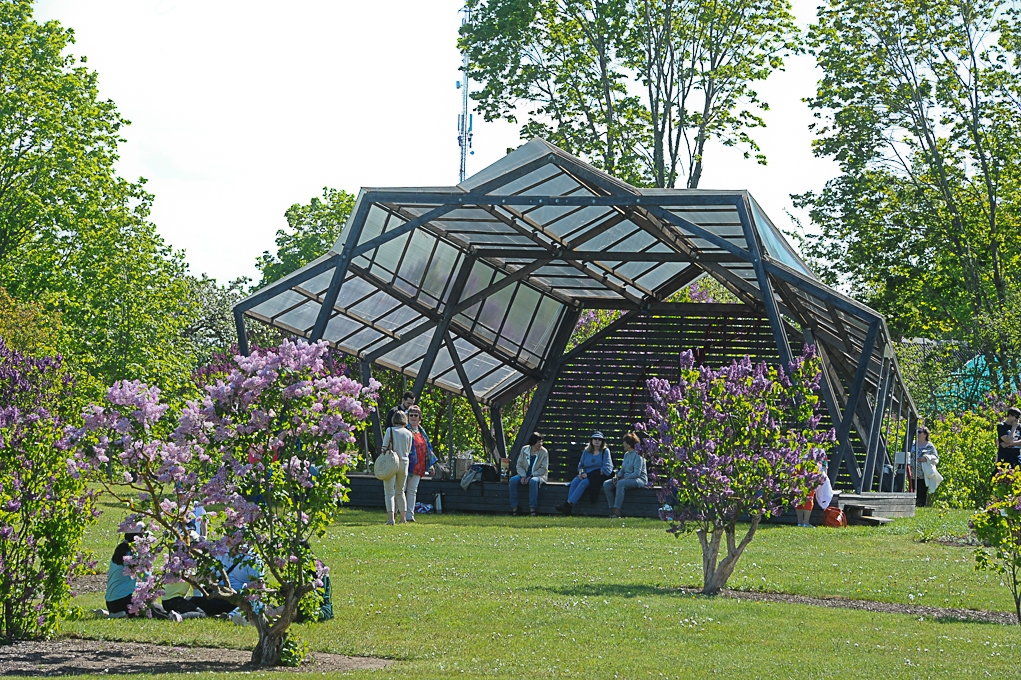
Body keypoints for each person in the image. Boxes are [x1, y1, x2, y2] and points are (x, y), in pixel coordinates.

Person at [96, 531, 178, 621]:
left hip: (111, 603)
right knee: (152, 608)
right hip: (122, 601)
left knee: (153, 606)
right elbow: (147, 577)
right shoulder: (133, 556)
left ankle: (115, 613)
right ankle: (169, 617)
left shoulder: (120, 550)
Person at [556, 432, 613, 515]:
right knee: (575, 482)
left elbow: (607, 468)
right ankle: (568, 508)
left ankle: (567, 505)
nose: (597, 441)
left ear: (602, 441)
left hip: (596, 476)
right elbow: (581, 464)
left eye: (599, 439)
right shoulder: (586, 451)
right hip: (585, 474)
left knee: (584, 483)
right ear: (591, 440)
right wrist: (581, 472)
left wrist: (589, 475)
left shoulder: (605, 451)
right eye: (595, 439)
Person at [381, 410, 413, 525]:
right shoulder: (409, 433)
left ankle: (391, 519)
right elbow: (408, 450)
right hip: (404, 462)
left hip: (392, 462)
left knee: (389, 492)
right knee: (400, 491)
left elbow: (384, 447)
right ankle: (403, 518)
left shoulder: (390, 430)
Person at [603, 433, 646, 518]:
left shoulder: (638, 455)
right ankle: (612, 509)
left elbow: (637, 473)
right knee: (607, 484)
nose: (623, 444)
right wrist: (618, 476)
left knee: (620, 484)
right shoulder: (626, 454)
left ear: (629, 444)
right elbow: (623, 469)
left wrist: (623, 479)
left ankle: (617, 511)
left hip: (639, 479)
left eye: (625, 442)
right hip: (625, 479)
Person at [403, 405, 434, 522]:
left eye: (416, 415)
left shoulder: (422, 432)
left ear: (420, 418)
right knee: (402, 490)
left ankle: (410, 516)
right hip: (406, 465)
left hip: (419, 466)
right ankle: (397, 514)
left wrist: (430, 466)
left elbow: (428, 450)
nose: (413, 417)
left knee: (412, 491)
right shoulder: (405, 430)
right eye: (411, 415)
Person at [509, 432, 549, 516]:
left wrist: (531, 476)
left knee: (533, 482)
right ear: (533, 442)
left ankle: (532, 508)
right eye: (538, 442)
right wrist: (523, 476)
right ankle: (514, 508)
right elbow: (519, 465)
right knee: (512, 480)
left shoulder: (544, 452)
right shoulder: (524, 449)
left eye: (541, 442)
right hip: (524, 474)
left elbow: (543, 469)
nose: (540, 444)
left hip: (538, 476)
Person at [914, 426, 940, 507]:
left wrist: (926, 458)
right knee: (913, 490)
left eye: (919, 432)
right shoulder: (913, 443)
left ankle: (921, 505)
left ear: (925, 434)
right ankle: (913, 506)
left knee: (922, 490)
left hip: (924, 472)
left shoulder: (929, 445)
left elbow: (935, 457)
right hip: (912, 472)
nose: (917, 434)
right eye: (916, 432)